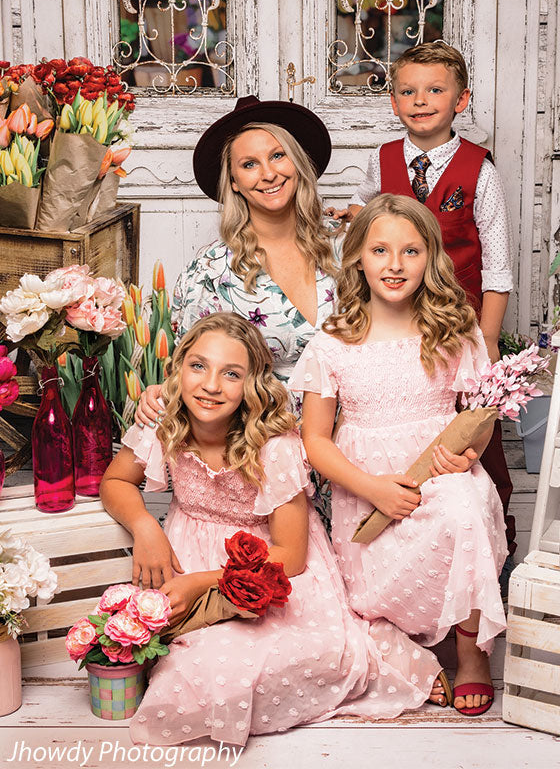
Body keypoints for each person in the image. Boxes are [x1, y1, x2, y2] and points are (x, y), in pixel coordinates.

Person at [101, 312, 450, 747]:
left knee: (248, 668)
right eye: (198, 366)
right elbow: (115, 482)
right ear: (176, 369)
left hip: (267, 567)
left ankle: (383, 654)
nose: (211, 385)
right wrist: (145, 527)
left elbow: (293, 555)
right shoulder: (162, 420)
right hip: (187, 551)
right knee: (172, 671)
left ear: (252, 386)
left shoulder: (275, 445)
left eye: (231, 374)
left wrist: (202, 583)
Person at [290, 195, 508, 717]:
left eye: (410, 251)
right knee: (366, 602)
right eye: (380, 250)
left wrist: (466, 454)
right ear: (358, 258)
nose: (394, 264)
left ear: (430, 258)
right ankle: (406, 639)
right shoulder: (334, 339)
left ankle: (471, 648)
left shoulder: (454, 329)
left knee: (463, 509)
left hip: (439, 467)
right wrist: (372, 488)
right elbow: (315, 440)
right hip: (366, 485)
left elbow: (479, 417)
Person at [328, 40, 517, 572]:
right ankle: (400, 546)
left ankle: (491, 546)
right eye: (407, 91)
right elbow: (372, 206)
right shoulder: (382, 158)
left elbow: (498, 264)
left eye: (435, 89)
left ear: (461, 99)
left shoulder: (479, 169)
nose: (420, 99)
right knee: (403, 419)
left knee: (475, 434)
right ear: (393, 102)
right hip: (396, 320)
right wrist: (355, 214)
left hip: (457, 322)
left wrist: (490, 338)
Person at [134, 95, 341, 520]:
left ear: (297, 163)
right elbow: (186, 367)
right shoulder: (212, 271)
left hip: (356, 444)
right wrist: (156, 395)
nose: (268, 174)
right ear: (232, 181)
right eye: (249, 165)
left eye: (278, 156)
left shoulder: (347, 246)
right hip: (266, 457)